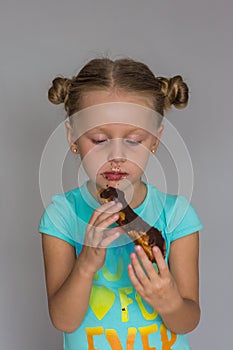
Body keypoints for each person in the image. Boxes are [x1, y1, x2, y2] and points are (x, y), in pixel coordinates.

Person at [38, 58, 203, 350]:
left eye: (134, 140)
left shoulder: (177, 215)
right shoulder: (62, 216)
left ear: (155, 140)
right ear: (72, 136)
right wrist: (86, 265)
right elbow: (63, 321)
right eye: (99, 139)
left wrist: (169, 301)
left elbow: (187, 321)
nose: (116, 155)